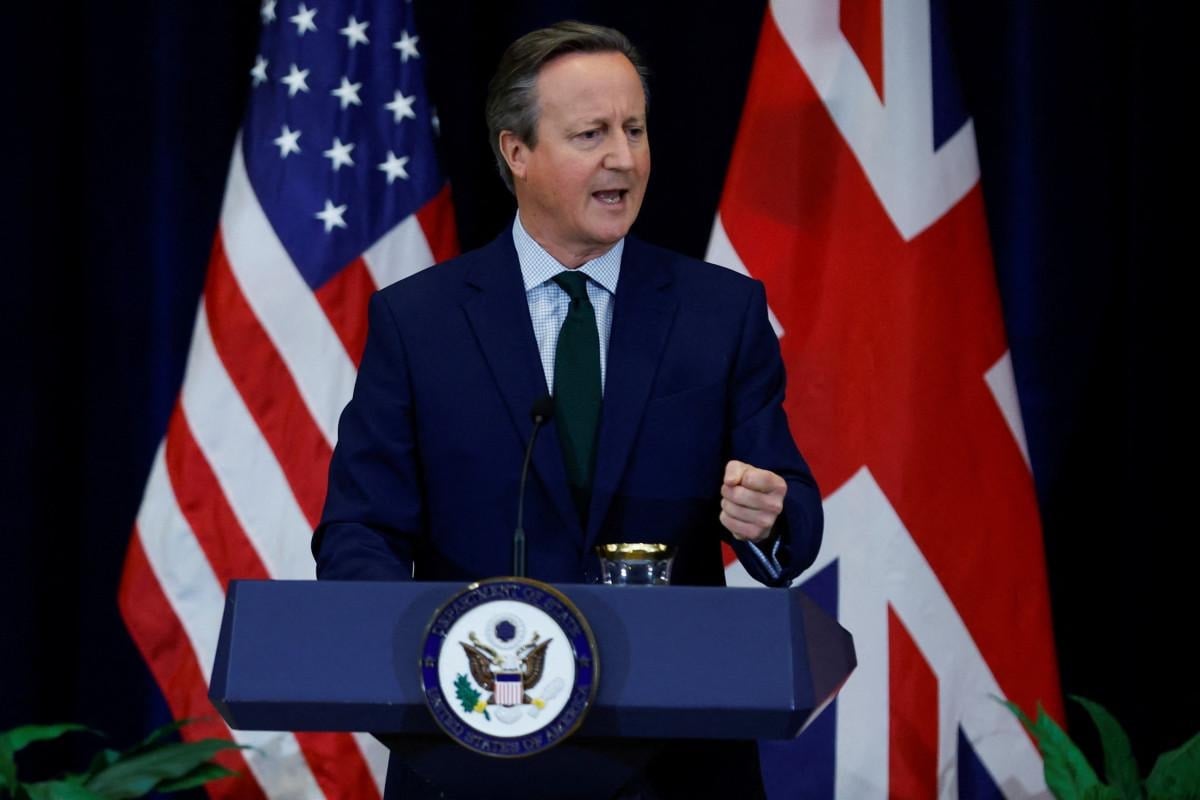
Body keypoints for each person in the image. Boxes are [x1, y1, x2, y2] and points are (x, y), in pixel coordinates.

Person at [313, 20, 823, 799]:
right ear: (517, 152)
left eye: (634, 129)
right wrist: (419, 659)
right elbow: (360, 529)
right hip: (472, 750)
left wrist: (769, 515)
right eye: (592, 134)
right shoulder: (419, 323)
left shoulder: (721, 313)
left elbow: (789, 503)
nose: (624, 157)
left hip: (675, 761)